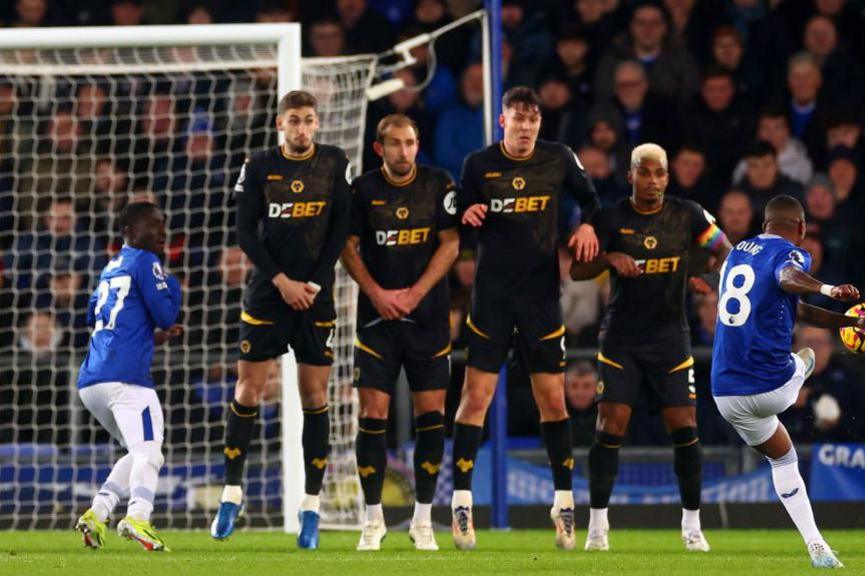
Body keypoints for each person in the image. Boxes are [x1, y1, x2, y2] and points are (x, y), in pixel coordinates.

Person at [452, 86, 600, 550]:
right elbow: (456, 211)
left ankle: (563, 503)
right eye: (518, 119)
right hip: (492, 299)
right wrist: (467, 212)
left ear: (540, 123)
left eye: (532, 120)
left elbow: (592, 202)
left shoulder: (559, 159)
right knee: (475, 397)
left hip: (540, 298)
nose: (525, 127)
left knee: (552, 401)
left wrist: (589, 226)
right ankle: (462, 504)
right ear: (503, 122)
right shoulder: (478, 164)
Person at [569, 142, 731, 552]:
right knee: (610, 428)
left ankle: (692, 527)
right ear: (631, 176)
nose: (653, 181)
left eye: (660, 174)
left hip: (670, 342)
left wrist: (710, 282)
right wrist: (610, 259)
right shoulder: (611, 219)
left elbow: (727, 251)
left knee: (686, 431)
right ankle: (598, 527)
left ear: (667, 178)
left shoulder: (687, 214)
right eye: (645, 173)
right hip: (621, 341)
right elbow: (576, 268)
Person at [711, 195, 865, 568]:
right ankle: (803, 369)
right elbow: (788, 278)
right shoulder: (791, 255)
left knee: (783, 456)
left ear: (764, 225)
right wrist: (828, 289)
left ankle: (818, 548)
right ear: (802, 228)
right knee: (806, 356)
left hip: (725, 393)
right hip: (771, 387)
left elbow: (796, 308)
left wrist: (848, 323)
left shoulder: (737, 255)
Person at [211, 90, 352, 550]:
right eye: (294, 120)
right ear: (279, 123)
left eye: (309, 120)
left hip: (315, 295)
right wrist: (281, 281)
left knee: (314, 397)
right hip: (269, 295)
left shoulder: (334, 162)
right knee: (247, 390)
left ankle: (311, 509)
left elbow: (340, 229)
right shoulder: (257, 166)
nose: (302, 129)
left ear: (316, 123)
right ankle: (231, 495)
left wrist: (310, 282)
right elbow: (243, 232)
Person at [341, 114, 459, 551]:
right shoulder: (362, 191)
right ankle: (372, 520)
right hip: (376, 321)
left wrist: (414, 293)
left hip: (426, 319)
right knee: (372, 415)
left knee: (431, 418)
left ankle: (423, 519)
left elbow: (451, 243)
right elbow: (346, 247)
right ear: (379, 149)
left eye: (410, 142)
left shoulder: (439, 183)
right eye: (395, 144)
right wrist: (377, 294)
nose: (404, 151)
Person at [74, 202, 183, 551]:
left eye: (163, 223)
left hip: (92, 381)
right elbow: (166, 314)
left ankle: (98, 511)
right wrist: (172, 285)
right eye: (155, 225)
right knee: (151, 452)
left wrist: (147, 336)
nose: (163, 232)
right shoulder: (145, 260)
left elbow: (95, 316)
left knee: (137, 451)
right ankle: (139, 516)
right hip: (126, 380)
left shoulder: (110, 268)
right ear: (132, 233)